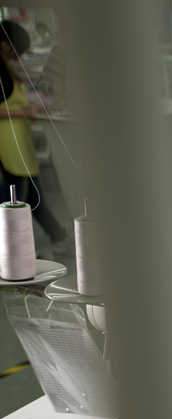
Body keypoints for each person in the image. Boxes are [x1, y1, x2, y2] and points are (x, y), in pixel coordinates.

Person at [0, 20, 69, 254]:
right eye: (16, 50)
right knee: (14, 203)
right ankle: (15, 251)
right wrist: (23, 111)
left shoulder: (8, 68)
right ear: (4, 46)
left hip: (19, 139)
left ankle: (57, 237)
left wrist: (34, 107)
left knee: (31, 195)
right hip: (8, 145)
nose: (19, 56)